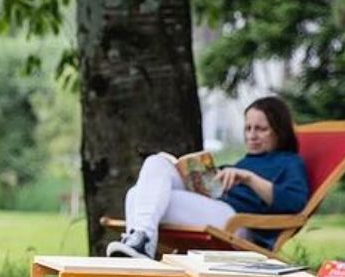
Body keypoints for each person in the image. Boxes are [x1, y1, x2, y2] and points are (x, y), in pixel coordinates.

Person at [107, 96, 310, 259]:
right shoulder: (246, 161)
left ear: (280, 131)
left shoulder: (289, 162)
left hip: (237, 223)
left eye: (261, 129)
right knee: (155, 164)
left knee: (140, 196)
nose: (252, 135)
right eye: (248, 128)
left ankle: (141, 245)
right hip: (213, 207)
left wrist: (249, 179)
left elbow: (294, 202)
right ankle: (140, 243)